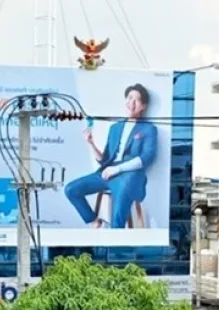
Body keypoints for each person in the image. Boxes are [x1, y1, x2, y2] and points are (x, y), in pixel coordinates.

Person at [64, 83, 158, 229]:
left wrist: (118, 169)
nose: (131, 103)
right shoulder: (115, 127)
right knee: (71, 189)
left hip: (129, 176)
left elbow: (147, 158)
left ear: (143, 106)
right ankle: (94, 221)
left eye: (137, 100)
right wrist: (91, 144)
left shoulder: (149, 129)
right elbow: (105, 160)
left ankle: (116, 243)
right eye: (129, 98)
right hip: (107, 173)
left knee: (117, 218)